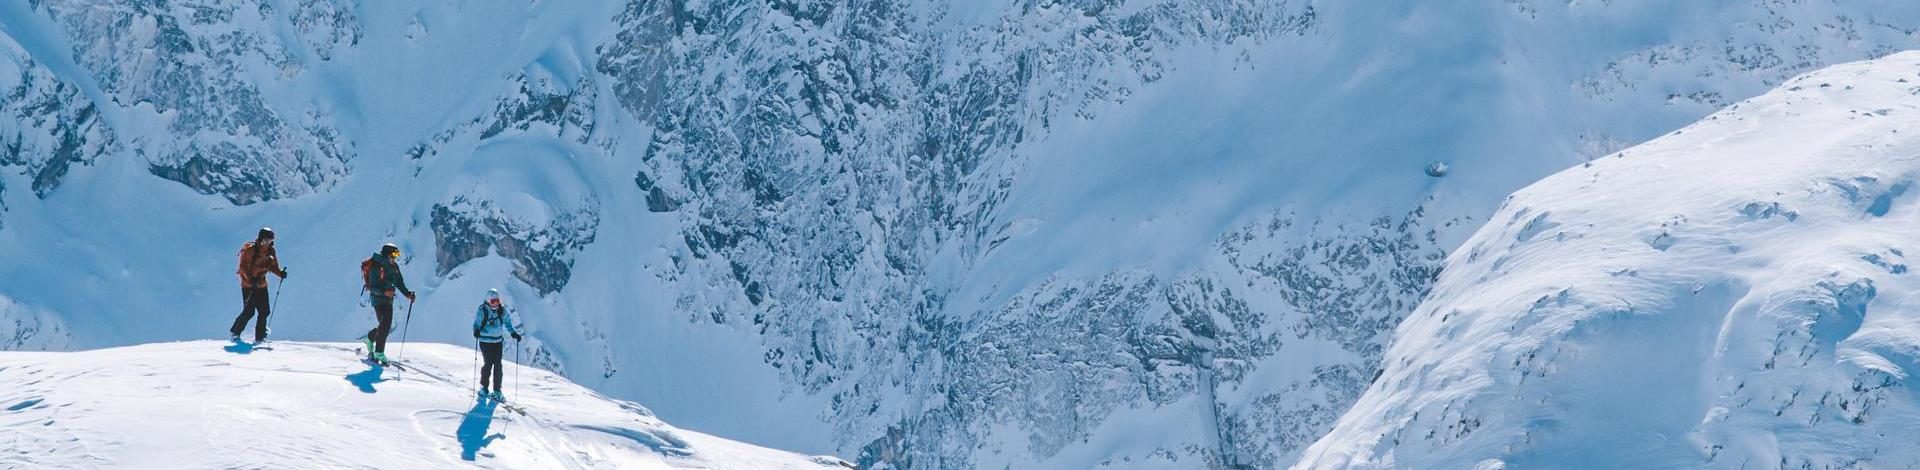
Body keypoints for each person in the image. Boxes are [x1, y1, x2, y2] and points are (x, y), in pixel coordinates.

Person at [230, 227, 288, 343]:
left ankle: (260, 338)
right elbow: (243, 267)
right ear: (260, 239)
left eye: (270, 240)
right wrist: (251, 280)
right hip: (248, 286)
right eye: (266, 240)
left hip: (261, 285)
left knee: (264, 311)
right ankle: (235, 332)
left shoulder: (271, 251)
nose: (268, 243)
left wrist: (280, 273)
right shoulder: (251, 250)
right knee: (249, 311)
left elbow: (273, 266)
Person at [360, 243, 415, 364]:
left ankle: (370, 338)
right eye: (394, 254)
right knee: (385, 325)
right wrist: (385, 292)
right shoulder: (376, 266)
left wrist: (408, 294)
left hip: (388, 300)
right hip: (378, 300)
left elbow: (399, 283)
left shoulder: (394, 266)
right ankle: (379, 352)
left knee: (384, 326)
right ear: (388, 254)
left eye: (397, 254)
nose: (396, 257)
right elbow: (372, 287)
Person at [472, 288, 522, 400]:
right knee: (488, 364)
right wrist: (476, 331)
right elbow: (476, 323)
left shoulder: (502, 311)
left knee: (498, 365)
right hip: (485, 342)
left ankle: (497, 390)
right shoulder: (483, 310)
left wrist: (513, 333)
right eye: (493, 301)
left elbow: (508, 322)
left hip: (498, 342)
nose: (496, 304)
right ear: (488, 301)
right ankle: (484, 388)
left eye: (497, 301)